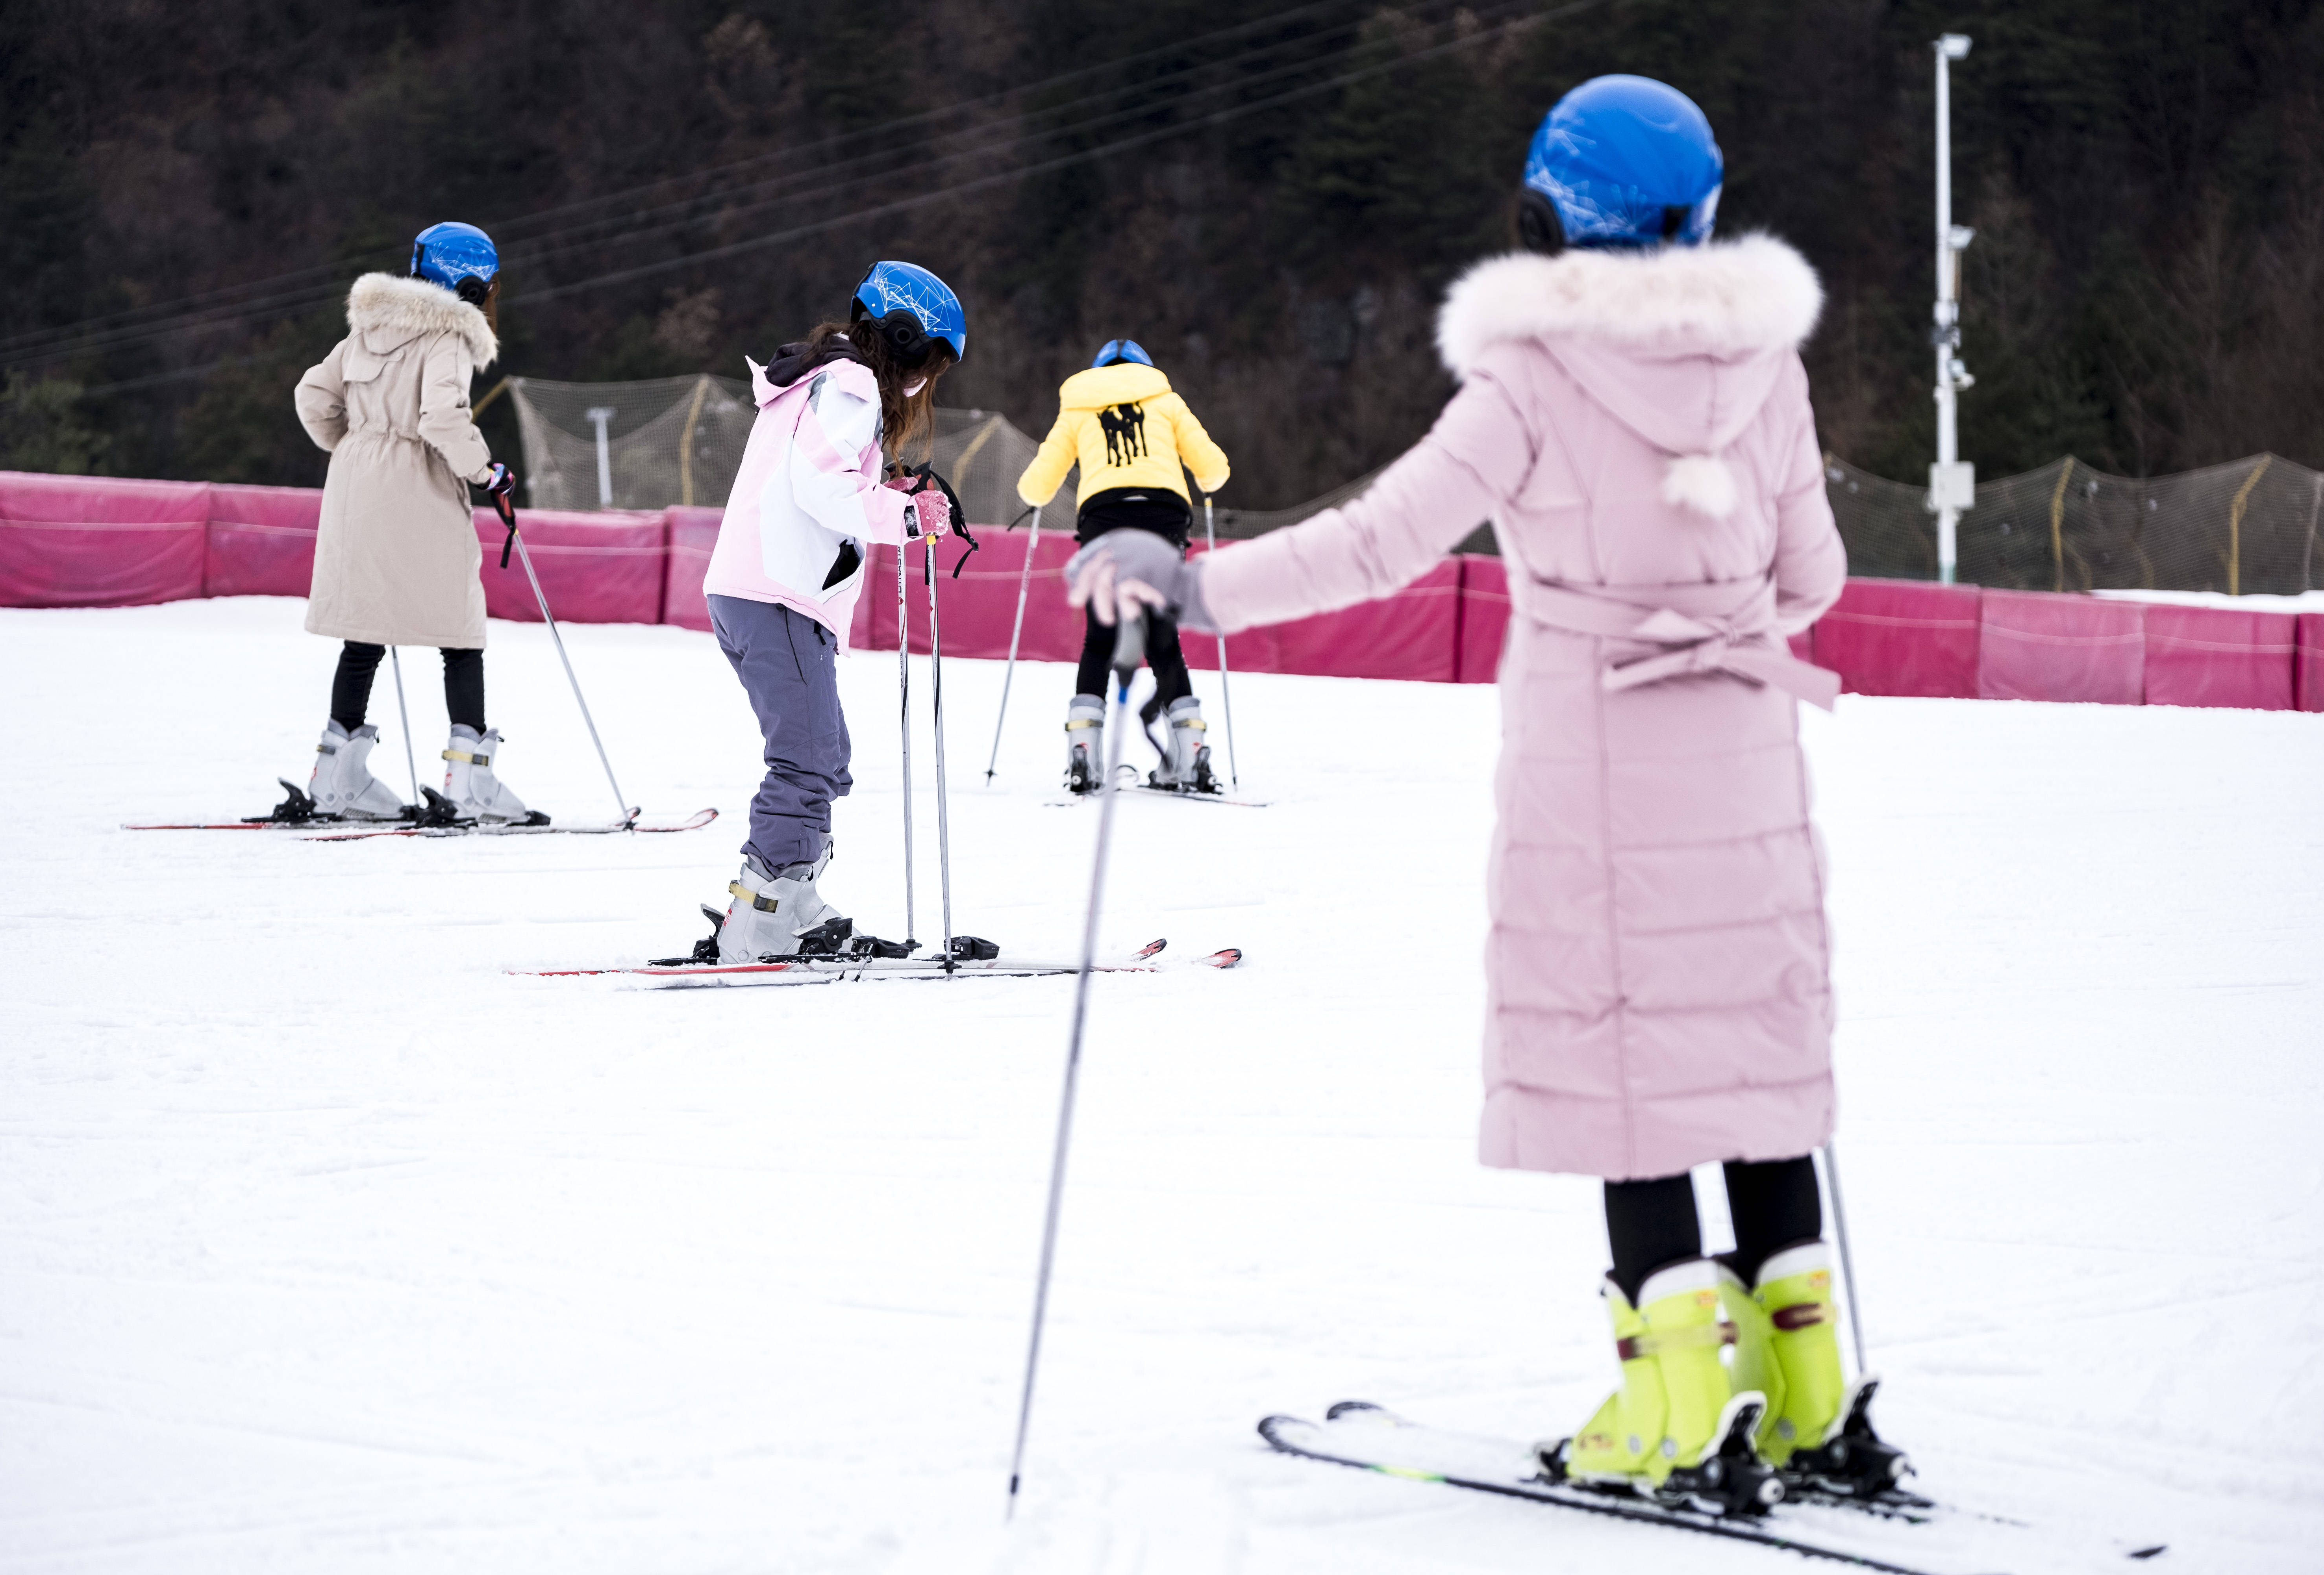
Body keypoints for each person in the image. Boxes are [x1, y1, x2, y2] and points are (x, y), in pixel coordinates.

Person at [1067, 77, 1885, 1514]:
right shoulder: (1769, 365)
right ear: (1700, 216)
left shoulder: (1527, 380)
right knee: (1750, 1076)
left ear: (1545, 219)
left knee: (1627, 1075)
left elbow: (1376, 545)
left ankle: (1674, 1405)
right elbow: (1813, 580)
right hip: (1748, 762)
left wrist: (1189, 585)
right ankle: (1807, 1393)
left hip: (1597, 768)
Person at [696, 260, 964, 961]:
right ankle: (762, 915)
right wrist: (908, 515)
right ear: (902, 340)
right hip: (777, 594)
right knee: (806, 759)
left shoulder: (819, 379)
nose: (923, 382)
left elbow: (822, 475)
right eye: (928, 363)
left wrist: (886, 486)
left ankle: (792, 897)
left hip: (759, 590)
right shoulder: (851, 385)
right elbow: (822, 488)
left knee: (822, 753)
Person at [293, 220, 531, 823]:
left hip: (355, 481)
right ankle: (467, 780)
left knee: (364, 629)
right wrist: (487, 473)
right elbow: (443, 420)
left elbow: (311, 396)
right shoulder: (448, 334)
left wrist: (356, 446)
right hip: (416, 483)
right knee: (460, 627)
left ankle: (335, 777)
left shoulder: (366, 328)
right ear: (470, 283)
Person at [1014, 338, 1230, 793]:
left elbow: (1036, 487)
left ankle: (1085, 757)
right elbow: (1214, 472)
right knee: (1163, 640)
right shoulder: (1167, 401)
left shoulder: (1079, 404)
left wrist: (1036, 496)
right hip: (1165, 518)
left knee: (1101, 637)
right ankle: (1190, 756)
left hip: (1104, 518)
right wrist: (1203, 482)